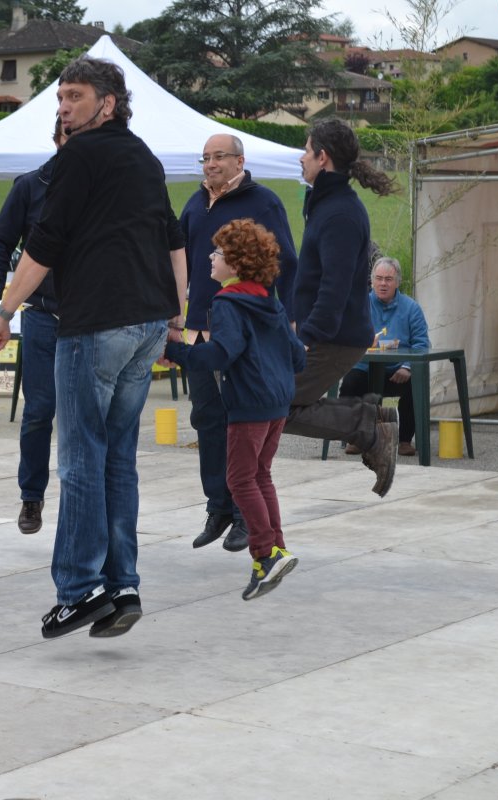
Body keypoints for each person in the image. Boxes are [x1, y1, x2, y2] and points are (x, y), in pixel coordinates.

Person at [0, 56, 187, 640]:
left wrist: (3, 312)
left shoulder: (77, 157)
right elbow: (174, 239)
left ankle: (78, 589)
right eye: (60, 98)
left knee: (79, 459)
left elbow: (43, 247)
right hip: (145, 324)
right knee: (118, 457)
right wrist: (176, 316)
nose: (63, 106)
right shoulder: (143, 157)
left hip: (94, 325)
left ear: (108, 103)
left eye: (74, 96)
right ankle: (123, 585)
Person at [163, 220, 305, 600]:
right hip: (277, 402)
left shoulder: (226, 303)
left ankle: (267, 552)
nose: (211, 257)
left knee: (240, 479)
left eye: (219, 253)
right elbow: (297, 356)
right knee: (260, 475)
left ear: (237, 263)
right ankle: (273, 551)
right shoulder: (268, 300)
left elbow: (222, 353)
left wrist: (175, 351)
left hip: (248, 404)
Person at [180, 132, 298, 553]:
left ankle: (248, 518)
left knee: (242, 423)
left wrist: (289, 320)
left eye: (218, 157)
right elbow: (176, 260)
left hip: (244, 328)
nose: (210, 164)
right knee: (206, 419)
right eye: (205, 157)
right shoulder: (195, 204)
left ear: (239, 160)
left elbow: (287, 263)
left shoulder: (262, 202)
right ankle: (219, 507)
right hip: (199, 326)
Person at [287, 117, 399, 497]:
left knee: (273, 405)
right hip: (327, 333)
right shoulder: (326, 205)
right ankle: (370, 420)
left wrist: (306, 337)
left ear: (323, 157)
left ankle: (367, 427)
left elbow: (333, 288)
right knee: (275, 403)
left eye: (306, 150)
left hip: (332, 337)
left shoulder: (339, 214)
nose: (301, 158)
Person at [0, 117, 66, 535]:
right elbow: (0, 240)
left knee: (87, 417)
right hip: (44, 316)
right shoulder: (30, 185)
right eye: (68, 136)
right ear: (57, 138)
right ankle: (32, 496)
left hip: (93, 320)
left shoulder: (104, 185)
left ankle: (85, 497)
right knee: (39, 411)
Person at [340, 256, 431, 457]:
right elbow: (345, 336)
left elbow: (422, 344)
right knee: (350, 383)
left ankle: (405, 439)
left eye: (388, 279)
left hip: (396, 371)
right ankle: (355, 437)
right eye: (379, 278)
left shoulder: (411, 308)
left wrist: (407, 366)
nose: (383, 284)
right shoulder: (359, 306)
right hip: (365, 369)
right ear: (372, 281)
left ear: (397, 281)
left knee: (415, 383)